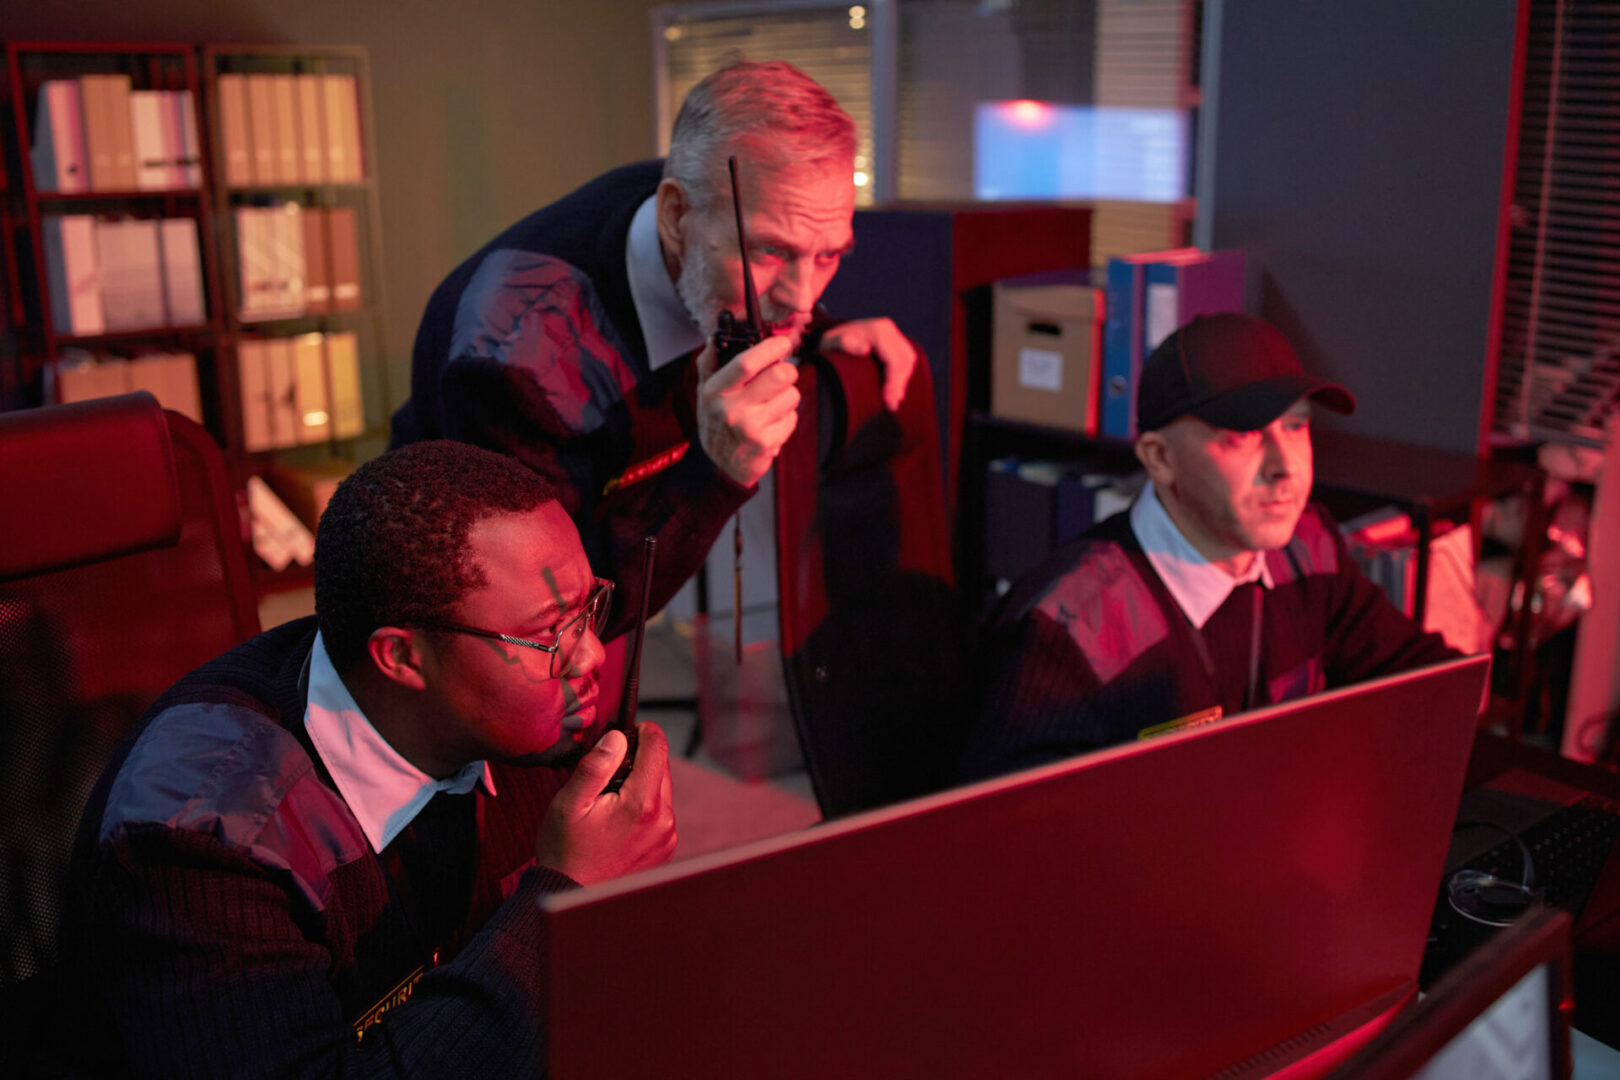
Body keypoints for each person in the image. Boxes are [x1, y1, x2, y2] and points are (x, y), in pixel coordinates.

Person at [59, 441, 676, 1077]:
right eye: (550, 632)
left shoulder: (527, 722)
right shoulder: (206, 842)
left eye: (587, 609)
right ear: (402, 658)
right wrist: (557, 906)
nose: (593, 656)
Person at [389, 59, 918, 636]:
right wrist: (718, 474)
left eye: (828, 255)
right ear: (673, 216)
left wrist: (816, 333)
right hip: (462, 628)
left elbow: (783, 276)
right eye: (769, 253)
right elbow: (564, 621)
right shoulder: (518, 360)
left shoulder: (716, 200)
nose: (805, 294)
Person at [961, 313, 1459, 779]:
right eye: (1241, 436)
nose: (1284, 466)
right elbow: (1011, 836)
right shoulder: (1068, 627)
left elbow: (1426, 682)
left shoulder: (1309, 548)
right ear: (1159, 459)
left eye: (1296, 425)